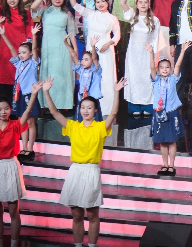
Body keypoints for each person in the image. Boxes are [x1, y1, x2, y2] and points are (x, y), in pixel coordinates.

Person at [42, 75, 125, 247]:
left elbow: (114, 113)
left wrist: (117, 92)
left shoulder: (100, 127)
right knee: (77, 214)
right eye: (83, 107)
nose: (85, 111)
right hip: (76, 171)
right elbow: (55, 113)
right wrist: (46, 92)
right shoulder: (73, 126)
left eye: (89, 108)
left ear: (95, 110)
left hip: (91, 170)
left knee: (93, 214)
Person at [63, 0, 119, 116]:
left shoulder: (112, 18)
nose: (100, 4)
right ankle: (90, 106)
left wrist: (108, 43)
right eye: (97, 2)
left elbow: (117, 35)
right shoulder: (90, 14)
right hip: (91, 49)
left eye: (103, 1)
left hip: (106, 50)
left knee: (106, 77)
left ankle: (108, 108)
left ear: (107, 2)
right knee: (91, 76)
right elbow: (75, 5)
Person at [0, 84, 41, 247]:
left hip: (10, 166)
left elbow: (27, 112)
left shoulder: (14, 125)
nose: (3, 112)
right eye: (0, 109)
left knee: (13, 210)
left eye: (6, 108)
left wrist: (34, 94)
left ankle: (14, 243)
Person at [147, 44, 187, 175]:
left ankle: (171, 165)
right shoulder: (156, 80)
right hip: (159, 113)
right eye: (162, 67)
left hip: (171, 112)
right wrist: (151, 53)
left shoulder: (172, 79)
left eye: (167, 67)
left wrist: (183, 51)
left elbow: (178, 65)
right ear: (158, 70)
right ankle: (164, 165)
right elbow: (151, 67)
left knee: (172, 140)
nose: (164, 69)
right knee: (162, 142)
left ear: (170, 69)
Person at [33, 0, 77, 110]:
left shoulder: (67, 13)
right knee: (49, 72)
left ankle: (63, 105)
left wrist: (75, 50)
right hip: (48, 46)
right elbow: (33, 7)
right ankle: (48, 104)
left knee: (61, 73)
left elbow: (72, 33)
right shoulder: (45, 10)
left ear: (64, 0)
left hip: (62, 46)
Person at [122, 0, 158, 117]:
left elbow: (155, 39)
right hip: (133, 54)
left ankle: (147, 106)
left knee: (146, 78)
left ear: (149, 4)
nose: (143, 4)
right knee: (134, 78)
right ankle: (134, 107)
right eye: (140, 2)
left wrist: (153, 54)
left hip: (147, 54)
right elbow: (122, 3)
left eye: (145, 2)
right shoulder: (132, 16)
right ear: (136, 5)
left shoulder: (155, 20)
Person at [2, 34, 38, 159]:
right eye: (20, 53)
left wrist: (34, 36)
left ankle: (30, 148)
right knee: (22, 123)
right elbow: (11, 49)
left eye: (24, 52)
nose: (21, 55)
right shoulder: (19, 63)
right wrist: (3, 34)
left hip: (29, 94)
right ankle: (24, 147)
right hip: (18, 95)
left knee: (30, 122)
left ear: (30, 53)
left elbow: (34, 49)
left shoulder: (33, 63)